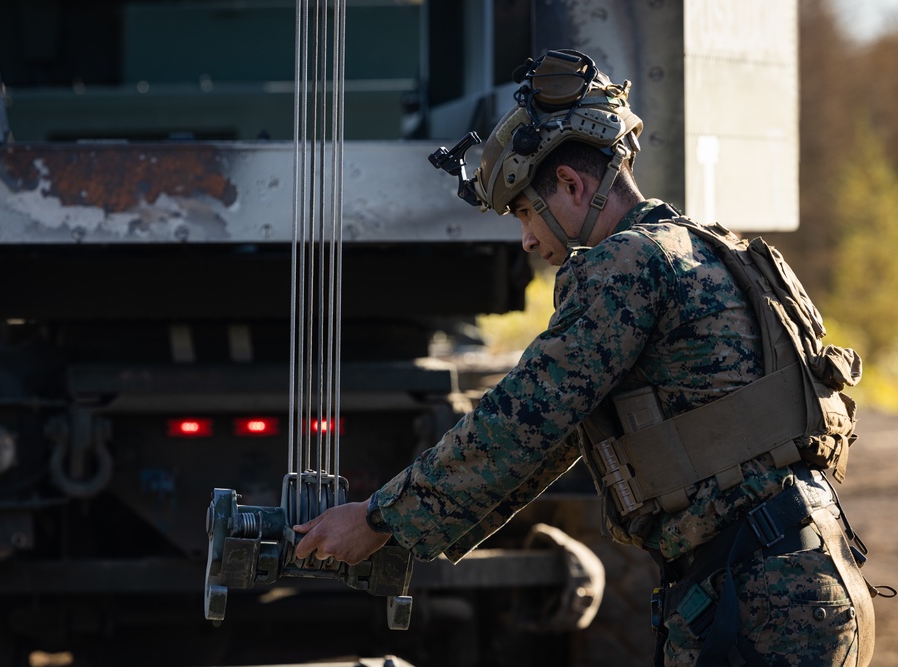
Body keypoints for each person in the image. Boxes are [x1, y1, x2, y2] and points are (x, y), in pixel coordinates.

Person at [293, 49, 876, 666]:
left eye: (523, 211)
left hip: (757, 603)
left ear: (571, 186)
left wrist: (381, 518)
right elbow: (555, 441)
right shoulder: (705, 250)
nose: (525, 239)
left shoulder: (623, 267)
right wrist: (404, 537)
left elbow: (524, 419)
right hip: (804, 577)